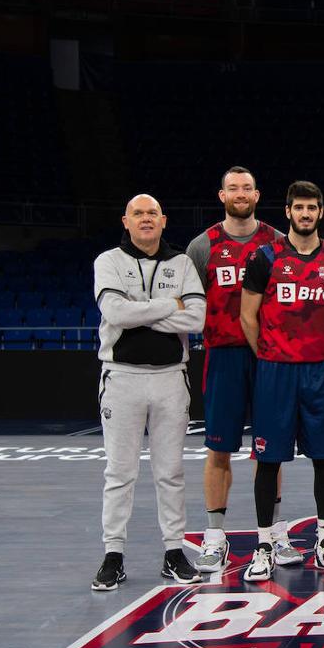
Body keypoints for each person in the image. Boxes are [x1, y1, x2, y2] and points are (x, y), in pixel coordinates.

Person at [239, 181, 324, 583]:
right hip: (275, 371)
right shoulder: (265, 257)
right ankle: (264, 545)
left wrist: (319, 351)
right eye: (299, 207)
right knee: (268, 459)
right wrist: (270, 354)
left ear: (321, 212)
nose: (305, 214)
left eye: (312, 207)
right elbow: (248, 317)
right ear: (287, 211)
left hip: (318, 370)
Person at [92, 194, 205, 590]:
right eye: (138, 213)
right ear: (125, 220)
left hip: (172, 377)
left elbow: (196, 317)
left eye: (152, 213)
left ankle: (174, 553)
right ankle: (113, 556)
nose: (145, 219)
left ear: (163, 220)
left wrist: (141, 310)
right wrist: (167, 306)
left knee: (170, 472)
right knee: (119, 472)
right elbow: (115, 314)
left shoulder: (183, 263)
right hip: (121, 377)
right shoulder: (108, 261)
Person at [185, 166, 286, 573]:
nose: (240, 193)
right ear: (221, 194)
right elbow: (188, 303)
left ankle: (275, 534)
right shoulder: (202, 246)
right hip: (223, 355)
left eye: (247, 188)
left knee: (270, 450)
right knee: (219, 449)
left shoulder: (276, 241)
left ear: (257, 195)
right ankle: (214, 536)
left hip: (267, 357)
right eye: (233, 188)